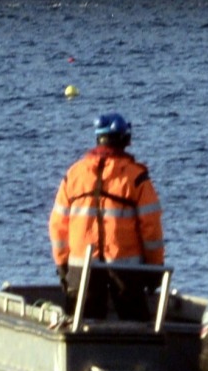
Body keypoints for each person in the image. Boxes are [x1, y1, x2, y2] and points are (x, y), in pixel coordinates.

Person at [51, 113, 163, 316]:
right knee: (136, 327)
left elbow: (58, 225)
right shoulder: (136, 177)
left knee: (78, 325)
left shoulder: (74, 174)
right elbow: (151, 228)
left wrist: (62, 265)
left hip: (81, 267)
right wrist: (155, 268)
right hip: (127, 269)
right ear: (125, 139)